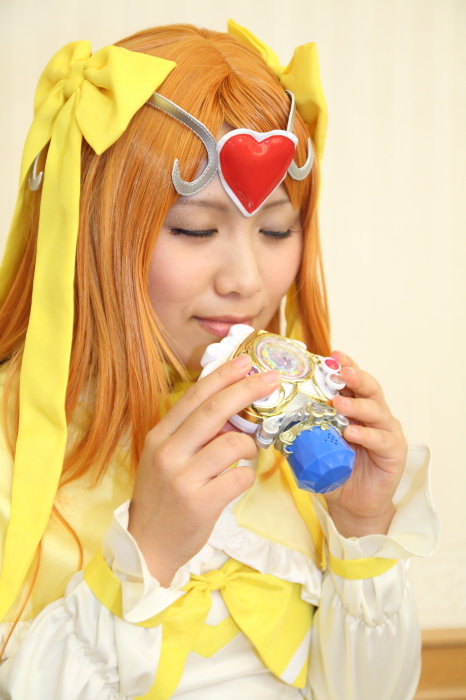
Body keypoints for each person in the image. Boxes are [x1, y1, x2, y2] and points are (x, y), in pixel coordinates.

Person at [0, 20, 439, 700]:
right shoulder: (13, 443)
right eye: (195, 228)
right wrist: (148, 553)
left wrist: (361, 532)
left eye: (276, 230)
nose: (246, 281)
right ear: (90, 232)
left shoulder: (292, 434)